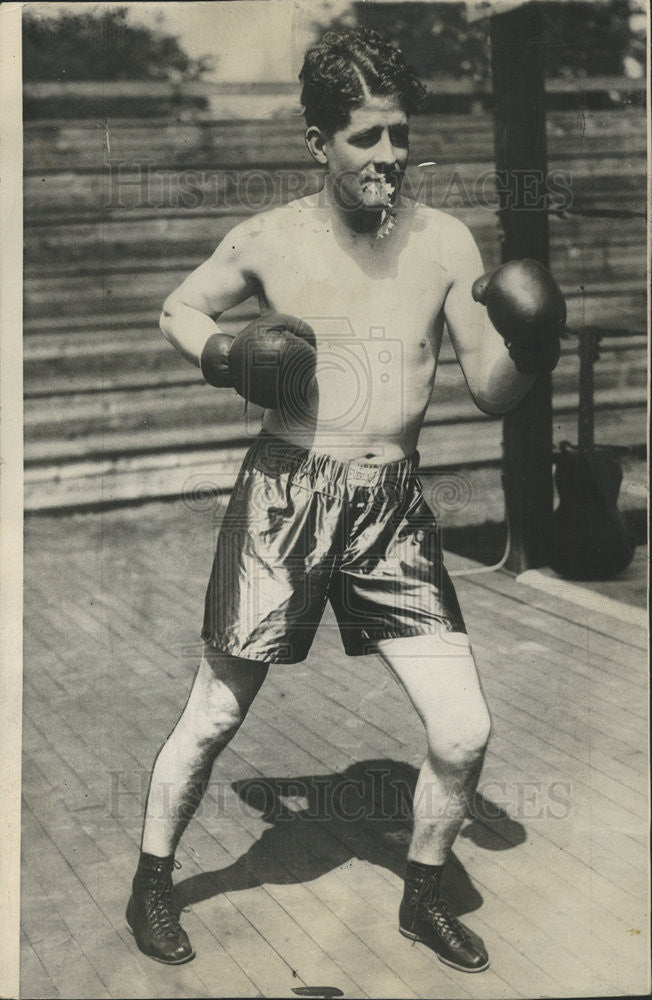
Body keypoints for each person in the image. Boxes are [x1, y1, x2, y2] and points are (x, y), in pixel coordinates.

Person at [126, 28, 565, 974]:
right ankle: (152, 881)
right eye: (365, 138)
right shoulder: (268, 239)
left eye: (399, 135)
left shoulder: (445, 241)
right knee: (213, 713)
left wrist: (532, 346)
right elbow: (177, 307)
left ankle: (421, 892)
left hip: (392, 506)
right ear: (317, 141)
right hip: (286, 493)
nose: (389, 157)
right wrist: (224, 354)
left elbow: (490, 390)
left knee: (462, 729)